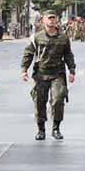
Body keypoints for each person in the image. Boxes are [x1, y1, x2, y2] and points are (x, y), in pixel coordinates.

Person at [21, 9, 76, 141]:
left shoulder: (63, 37)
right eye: (49, 18)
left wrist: (72, 70)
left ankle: (56, 128)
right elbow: (28, 53)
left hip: (57, 74)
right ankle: (41, 129)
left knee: (58, 100)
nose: (51, 20)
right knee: (39, 101)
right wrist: (24, 70)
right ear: (44, 20)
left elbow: (68, 54)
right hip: (41, 74)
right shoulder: (37, 37)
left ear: (56, 20)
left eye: (53, 18)